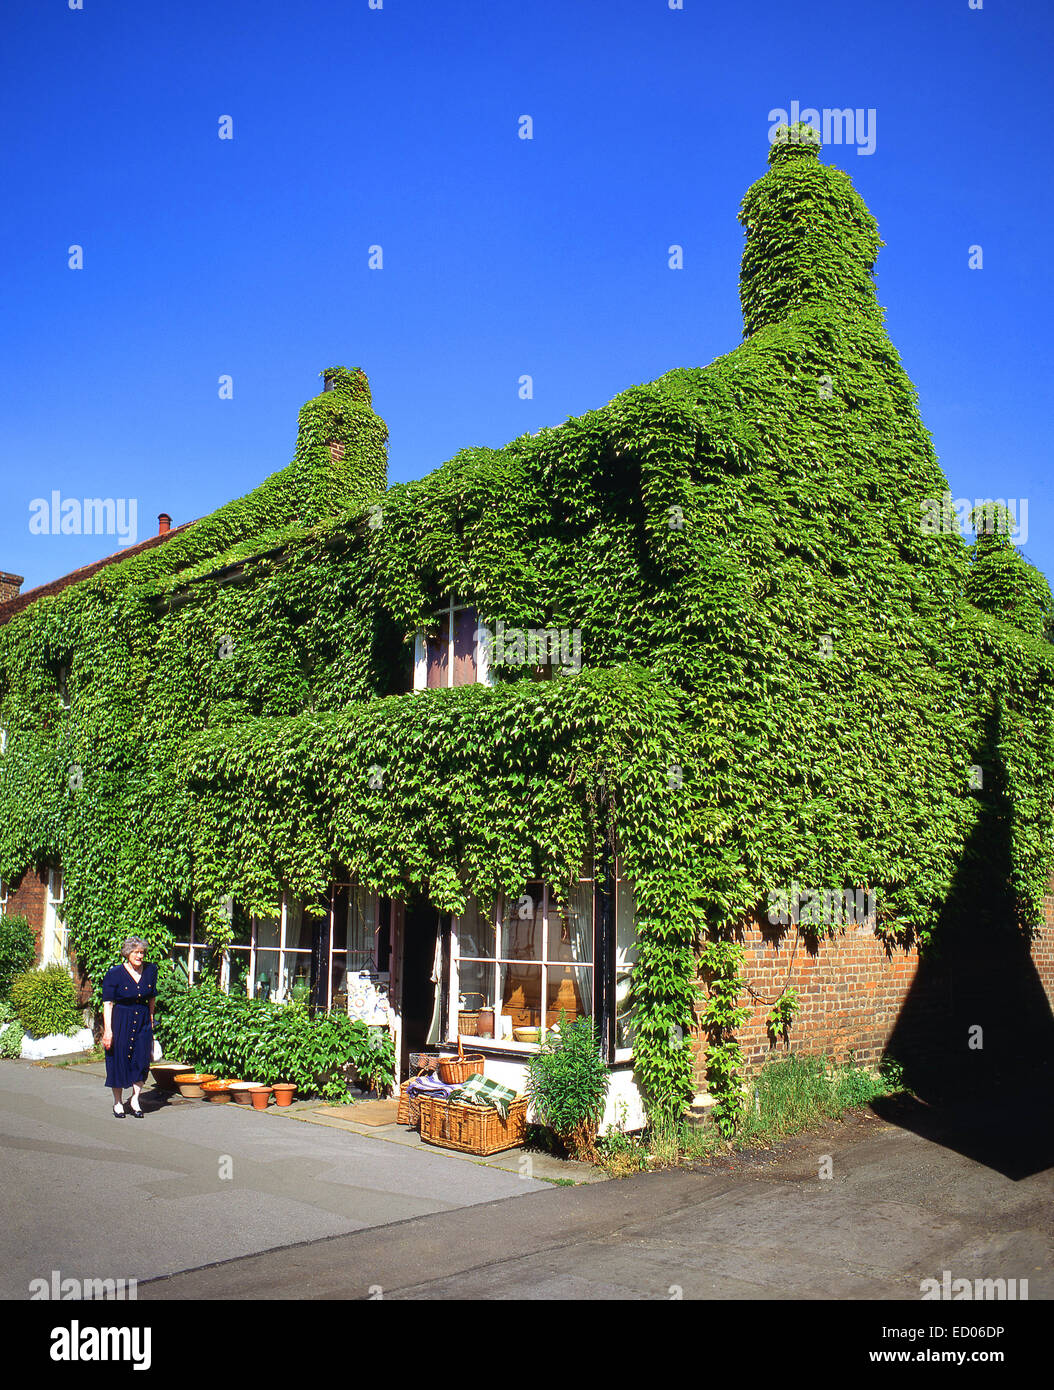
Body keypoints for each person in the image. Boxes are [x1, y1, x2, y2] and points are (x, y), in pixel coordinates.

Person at [101, 938, 157, 1118]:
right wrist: (108, 1031)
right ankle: (118, 1103)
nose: (140, 956)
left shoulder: (151, 970)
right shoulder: (114, 973)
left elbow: (152, 999)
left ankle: (135, 1099)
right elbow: (108, 1003)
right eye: (136, 953)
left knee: (141, 1060)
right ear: (127, 954)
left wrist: (151, 1022)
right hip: (121, 1020)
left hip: (142, 1021)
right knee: (118, 1060)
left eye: (142, 953)